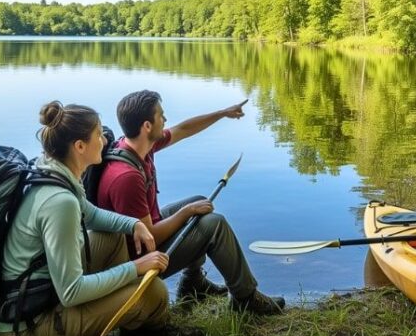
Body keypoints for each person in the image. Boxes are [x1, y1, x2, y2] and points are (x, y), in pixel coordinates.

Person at [0, 101, 175, 336]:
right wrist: (135, 267)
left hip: (40, 297)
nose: (105, 140)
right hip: (29, 327)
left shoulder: (51, 170)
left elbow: (91, 215)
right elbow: (71, 291)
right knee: (154, 292)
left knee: (113, 237)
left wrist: (133, 224)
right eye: (99, 135)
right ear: (80, 146)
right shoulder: (60, 202)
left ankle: (129, 316)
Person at [96, 90, 285, 315]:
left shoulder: (136, 146)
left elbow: (183, 129)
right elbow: (150, 239)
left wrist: (223, 113)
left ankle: (192, 283)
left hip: (143, 236)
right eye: (161, 115)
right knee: (214, 224)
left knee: (199, 202)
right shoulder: (126, 177)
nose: (165, 120)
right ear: (147, 126)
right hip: (136, 260)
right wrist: (186, 212)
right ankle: (246, 298)